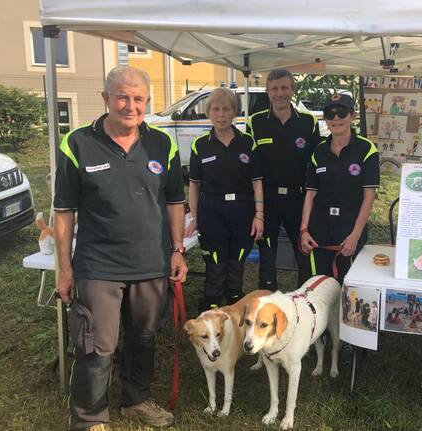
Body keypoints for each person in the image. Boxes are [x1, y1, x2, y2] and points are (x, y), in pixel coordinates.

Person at [54, 65, 187, 430]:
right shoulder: (78, 143)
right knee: (97, 345)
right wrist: (64, 268)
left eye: (139, 99)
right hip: (99, 265)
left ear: (147, 101)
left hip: (152, 263)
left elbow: (175, 200)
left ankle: (137, 399)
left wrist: (177, 249)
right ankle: (90, 418)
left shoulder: (163, 143)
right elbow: (64, 212)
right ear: (106, 99)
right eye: (123, 97)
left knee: (143, 338)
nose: (131, 106)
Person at [185, 88, 264, 312]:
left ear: (235, 112)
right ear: (209, 112)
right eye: (215, 109)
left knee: (236, 263)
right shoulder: (199, 145)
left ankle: (234, 306)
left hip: (242, 209)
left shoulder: (248, 142)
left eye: (226, 109)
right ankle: (210, 308)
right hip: (212, 210)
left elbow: (257, 182)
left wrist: (259, 216)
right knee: (216, 265)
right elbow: (194, 184)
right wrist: (195, 217)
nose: (221, 114)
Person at [247, 69, 320, 290]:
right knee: (267, 253)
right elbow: (251, 165)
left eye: (284, 88)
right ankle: (267, 297)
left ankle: (305, 297)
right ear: (268, 92)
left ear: (292, 90)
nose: (279, 93)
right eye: (274, 89)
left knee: (303, 251)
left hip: (297, 197)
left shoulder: (308, 122)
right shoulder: (256, 122)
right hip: (267, 198)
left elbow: (317, 163)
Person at [300, 94, 379, 283]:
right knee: (318, 283)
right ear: (325, 119)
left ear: (352, 116)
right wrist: (304, 230)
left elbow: (369, 196)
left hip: (349, 227)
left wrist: (355, 235)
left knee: (346, 284)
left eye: (341, 112)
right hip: (319, 227)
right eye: (330, 114)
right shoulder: (318, 151)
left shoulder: (367, 150)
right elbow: (311, 193)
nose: (336, 118)